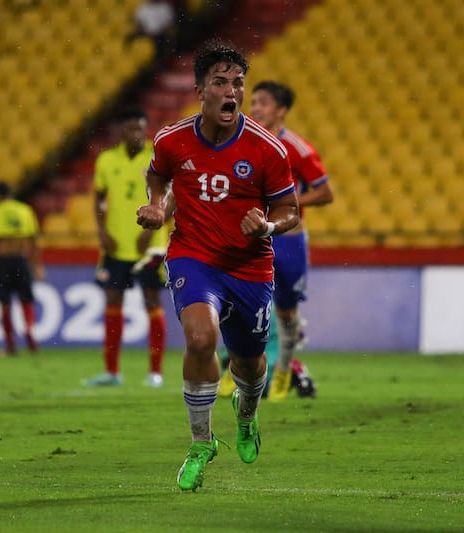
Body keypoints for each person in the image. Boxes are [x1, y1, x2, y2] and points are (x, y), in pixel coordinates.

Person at [136, 39, 299, 491]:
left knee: (248, 368)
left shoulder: (268, 150)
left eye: (238, 83)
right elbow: (158, 175)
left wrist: (266, 226)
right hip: (194, 256)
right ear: (201, 90)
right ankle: (200, 441)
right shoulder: (172, 139)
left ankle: (247, 417)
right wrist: (156, 205)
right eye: (221, 82)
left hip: (249, 267)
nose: (232, 91)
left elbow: (291, 212)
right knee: (201, 337)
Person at [242, 80, 332, 401]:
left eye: (263, 102)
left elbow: (325, 192)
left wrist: (290, 203)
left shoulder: (297, 147)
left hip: (289, 239)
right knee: (243, 303)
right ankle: (234, 368)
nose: (255, 109)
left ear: (281, 110)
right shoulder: (244, 143)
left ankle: (283, 372)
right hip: (255, 237)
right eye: (253, 102)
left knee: (287, 312)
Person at [82, 107, 168, 388]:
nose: (136, 134)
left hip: (150, 247)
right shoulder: (107, 160)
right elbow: (98, 198)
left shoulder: (156, 157)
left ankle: (155, 372)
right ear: (122, 131)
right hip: (116, 245)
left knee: (152, 303)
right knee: (112, 303)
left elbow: (171, 196)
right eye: (131, 129)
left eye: (140, 128)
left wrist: (154, 226)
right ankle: (112, 371)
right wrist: (102, 232)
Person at [0, 181, 44, 356]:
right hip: (22, 260)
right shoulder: (25, 211)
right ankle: (30, 331)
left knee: (4, 302)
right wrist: (38, 266)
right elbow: (34, 241)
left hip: (4, 262)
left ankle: (10, 344)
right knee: (26, 300)